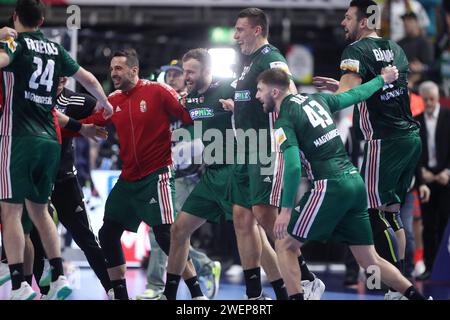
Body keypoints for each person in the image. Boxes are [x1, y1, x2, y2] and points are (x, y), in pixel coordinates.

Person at [259, 67, 431, 301]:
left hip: (329, 185)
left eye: (260, 90)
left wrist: (286, 210)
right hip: (354, 182)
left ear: (275, 91)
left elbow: (292, 167)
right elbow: (355, 95)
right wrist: (383, 79)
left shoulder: (284, 120)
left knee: (285, 245)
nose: (257, 96)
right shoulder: (317, 99)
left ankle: (302, 292)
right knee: (369, 259)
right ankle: (419, 298)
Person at [0, 0, 112, 300]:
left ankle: (18, 284)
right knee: (40, 211)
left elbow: (1, 61)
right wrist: (105, 102)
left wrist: (2, 38)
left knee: (11, 212)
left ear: (15, 17)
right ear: (43, 19)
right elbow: (87, 78)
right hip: (51, 140)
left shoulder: (16, 43)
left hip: (19, 136)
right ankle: (60, 274)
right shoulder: (55, 49)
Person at [313, 0, 421, 300]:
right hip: (409, 138)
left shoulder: (355, 51)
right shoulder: (395, 48)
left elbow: (346, 100)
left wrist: (320, 101)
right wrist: (341, 86)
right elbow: (380, 92)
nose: (343, 23)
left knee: (375, 214)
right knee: (392, 213)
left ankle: (396, 287)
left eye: (347, 17)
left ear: (363, 22)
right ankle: (403, 279)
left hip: (383, 142)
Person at [80, 49, 207, 300]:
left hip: (157, 175)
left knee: (166, 236)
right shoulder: (113, 100)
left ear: (134, 70)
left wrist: (214, 110)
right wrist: (63, 124)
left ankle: (196, 293)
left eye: (118, 68)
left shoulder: (158, 91)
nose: (113, 73)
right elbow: (91, 122)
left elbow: (188, 115)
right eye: (112, 68)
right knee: (107, 233)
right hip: (128, 180)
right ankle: (120, 295)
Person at [221, 7, 324, 300]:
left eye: (240, 29)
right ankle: (255, 295)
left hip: (265, 148)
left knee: (267, 218)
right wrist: (236, 106)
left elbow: (287, 88)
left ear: (256, 30)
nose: (235, 35)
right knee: (242, 220)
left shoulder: (271, 57)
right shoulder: (249, 62)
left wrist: (290, 127)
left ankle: (307, 278)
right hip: (244, 149)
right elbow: (254, 99)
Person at [137, 59, 221, 300]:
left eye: (177, 74)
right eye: (169, 74)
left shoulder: (192, 101)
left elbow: (205, 130)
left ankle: (156, 284)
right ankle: (203, 264)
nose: (172, 78)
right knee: (168, 232)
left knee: (166, 231)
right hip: (167, 173)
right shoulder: (164, 102)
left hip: (188, 175)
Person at [414, 81, 450, 280]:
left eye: (432, 99)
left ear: (438, 98)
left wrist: (448, 172)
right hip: (426, 179)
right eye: (425, 99)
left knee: (445, 221)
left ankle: (445, 268)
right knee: (428, 225)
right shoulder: (417, 121)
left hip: (446, 178)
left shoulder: (448, 116)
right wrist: (421, 175)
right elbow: (415, 153)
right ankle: (430, 267)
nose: (428, 103)